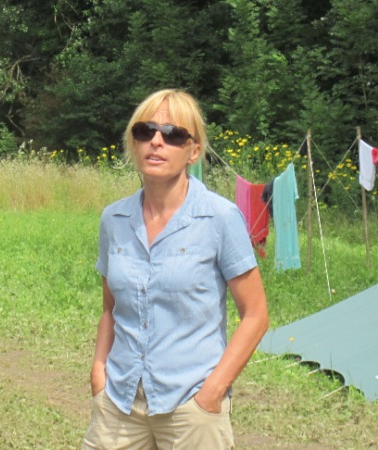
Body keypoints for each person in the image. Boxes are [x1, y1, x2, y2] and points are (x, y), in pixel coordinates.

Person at [82, 89, 269, 449]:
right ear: (134, 142)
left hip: (190, 404)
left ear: (193, 151)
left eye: (172, 135)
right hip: (119, 401)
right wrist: (99, 373)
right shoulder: (114, 219)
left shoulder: (220, 217)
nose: (156, 141)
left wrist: (211, 393)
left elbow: (256, 315)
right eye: (145, 131)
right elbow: (110, 308)